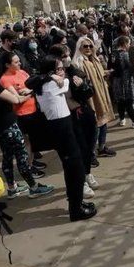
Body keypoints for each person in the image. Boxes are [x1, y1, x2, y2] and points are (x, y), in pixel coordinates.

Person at [0, 54, 55, 200]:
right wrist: (30, 92)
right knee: (21, 155)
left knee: (7, 156)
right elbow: (15, 100)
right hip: (7, 125)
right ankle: (33, 187)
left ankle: (12, 188)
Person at [29, 55, 96, 222]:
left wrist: (50, 75)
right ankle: (76, 210)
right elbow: (67, 82)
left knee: (73, 167)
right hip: (61, 127)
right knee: (75, 170)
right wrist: (55, 77)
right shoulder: (53, 84)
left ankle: (77, 202)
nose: (63, 72)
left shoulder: (43, 82)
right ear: (51, 71)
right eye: (59, 69)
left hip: (61, 125)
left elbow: (31, 81)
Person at [0, 50, 47, 177]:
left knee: (33, 140)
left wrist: (30, 91)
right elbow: (17, 99)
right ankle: (28, 167)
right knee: (27, 142)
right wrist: (31, 92)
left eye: (19, 61)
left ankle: (32, 161)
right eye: (16, 62)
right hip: (22, 114)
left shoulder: (22, 72)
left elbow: (33, 85)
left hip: (34, 109)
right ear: (7, 65)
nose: (19, 63)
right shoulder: (5, 79)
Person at [73, 35, 116, 160]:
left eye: (90, 46)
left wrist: (106, 73)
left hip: (102, 94)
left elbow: (101, 75)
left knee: (104, 122)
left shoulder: (95, 59)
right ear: (79, 47)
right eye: (85, 46)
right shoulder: (78, 63)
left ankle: (101, 147)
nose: (88, 48)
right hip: (91, 98)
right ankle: (90, 154)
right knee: (94, 127)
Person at [112, 35, 134, 127]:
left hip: (117, 81)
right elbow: (131, 67)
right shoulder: (125, 54)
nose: (129, 45)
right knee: (129, 101)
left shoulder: (114, 53)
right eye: (128, 43)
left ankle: (122, 119)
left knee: (120, 102)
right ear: (124, 44)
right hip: (126, 81)